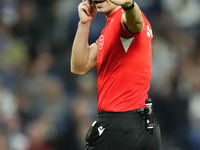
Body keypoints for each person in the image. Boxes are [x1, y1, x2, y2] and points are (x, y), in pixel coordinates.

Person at [70, 0, 161, 149]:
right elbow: (80, 66)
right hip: (144, 127)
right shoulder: (112, 26)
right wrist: (84, 24)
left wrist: (129, 4)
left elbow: (135, 22)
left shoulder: (122, 19)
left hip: (120, 126)